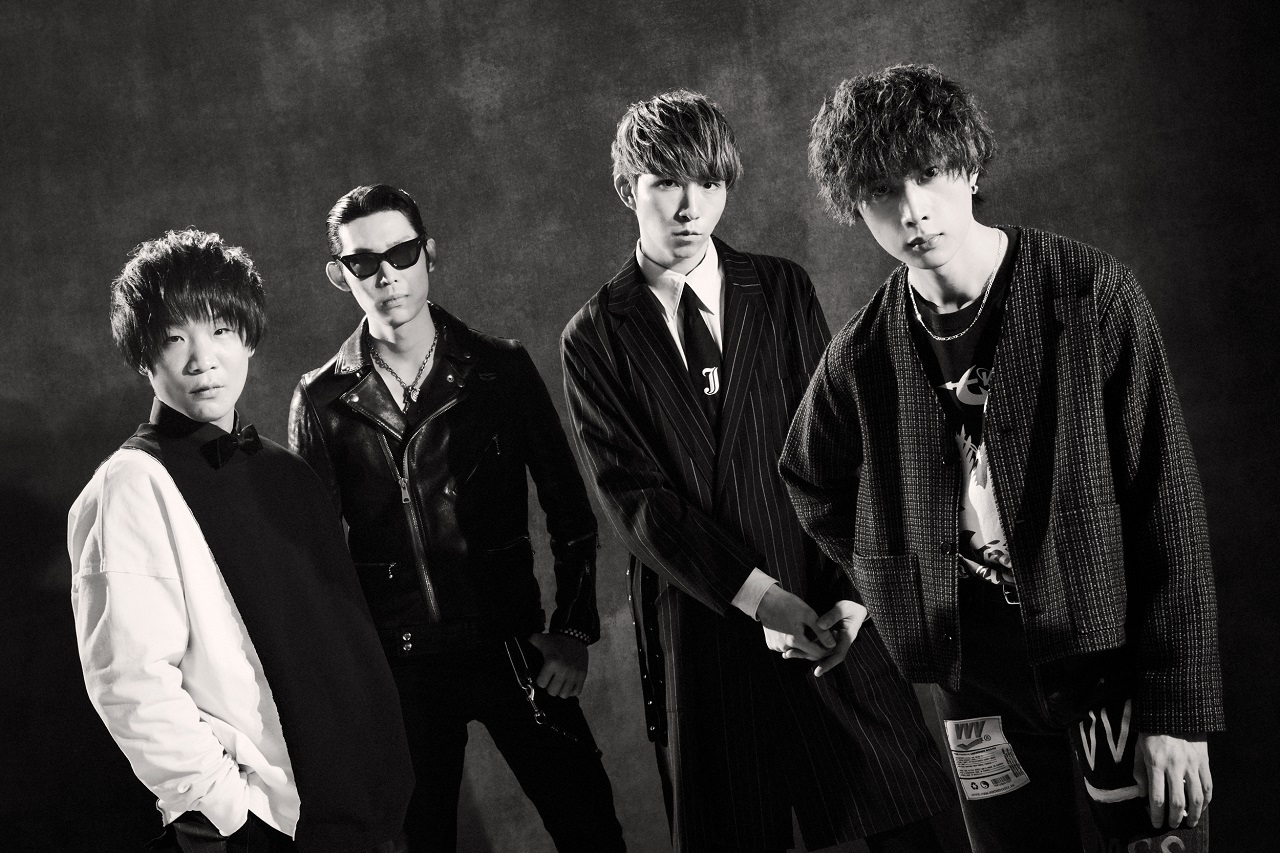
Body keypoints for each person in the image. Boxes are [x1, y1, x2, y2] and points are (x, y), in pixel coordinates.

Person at [782, 64, 1223, 853]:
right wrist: (893, 580)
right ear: (855, 206)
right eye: (882, 190)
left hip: (1110, 663)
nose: (912, 210)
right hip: (977, 679)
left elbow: (1168, 507)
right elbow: (809, 477)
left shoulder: (1089, 294)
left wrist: (1178, 708)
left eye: (927, 173)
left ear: (969, 166)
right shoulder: (863, 352)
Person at [561, 90, 955, 853]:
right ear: (627, 188)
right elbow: (637, 501)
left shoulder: (779, 288)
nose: (690, 207)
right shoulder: (595, 335)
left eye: (708, 182)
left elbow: (841, 449)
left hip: (825, 595)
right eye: (666, 182)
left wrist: (853, 595)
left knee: (911, 824)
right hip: (706, 623)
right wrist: (760, 597)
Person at [288, 184, 625, 852]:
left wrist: (572, 628)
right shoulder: (322, 400)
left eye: (401, 253)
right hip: (403, 668)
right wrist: (354, 681)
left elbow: (569, 508)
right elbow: (315, 564)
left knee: (590, 828)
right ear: (339, 274)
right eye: (364, 262)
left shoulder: (500, 370)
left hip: (513, 645)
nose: (387, 275)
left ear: (429, 254)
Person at [69, 228, 414, 853]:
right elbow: (129, 681)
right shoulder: (131, 485)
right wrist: (227, 815)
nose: (203, 361)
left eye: (221, 331)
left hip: (366, 814)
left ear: (248, 338)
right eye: (175, 339)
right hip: (268, 823)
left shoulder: (286, 473)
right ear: (145, 357)